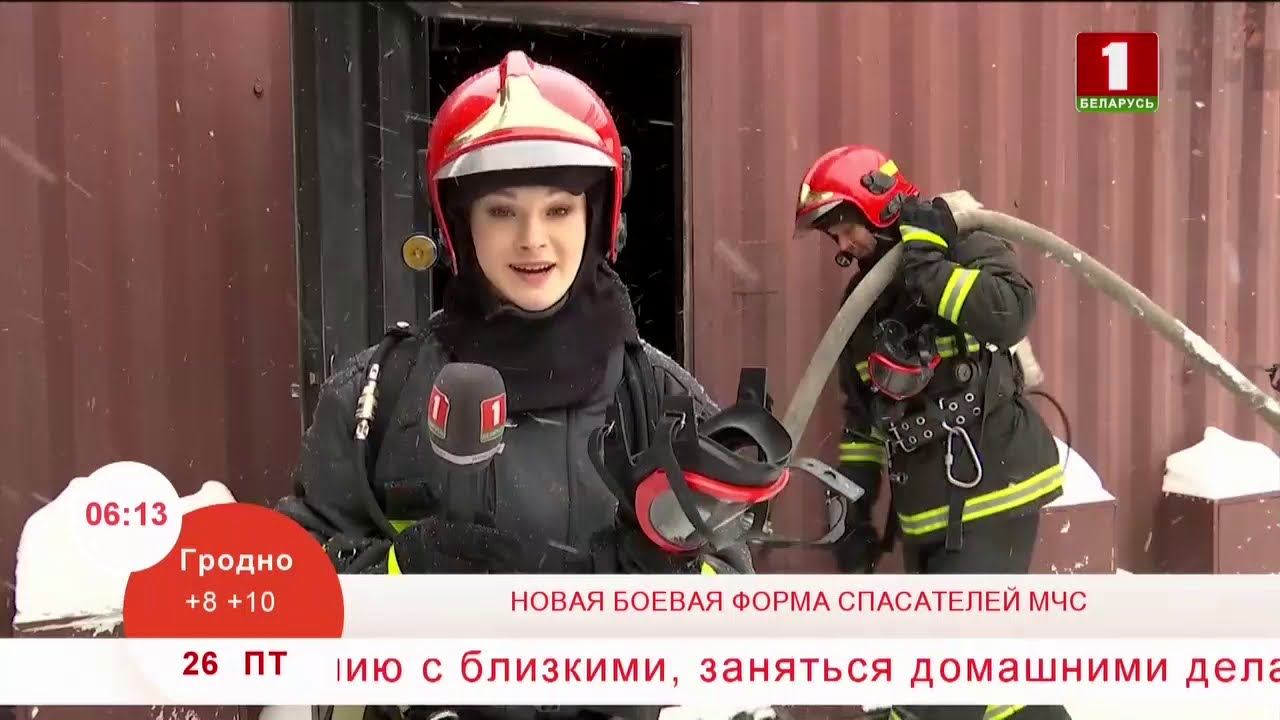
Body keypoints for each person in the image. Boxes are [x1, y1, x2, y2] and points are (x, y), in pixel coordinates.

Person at [273, 50, 758, 720]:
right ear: (459, 225)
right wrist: (398, 573)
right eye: (502, 212)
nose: (533, 240)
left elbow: (736, 618)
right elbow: (288, 591)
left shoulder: (663, 401)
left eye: (558, 209)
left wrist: (662, 577)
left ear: (598, 219)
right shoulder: (377, 396)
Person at [795, 145, 1070, 720]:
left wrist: (929, 265)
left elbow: (1010, 312)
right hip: (926, 514)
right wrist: (855, 515)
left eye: (844, 228)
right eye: (833, 237)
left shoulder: (965, 246)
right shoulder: (862, 306)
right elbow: (862, 423)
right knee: (987, 683)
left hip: (994, 490)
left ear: (877, 203)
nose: (842, 245)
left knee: (941, 686)